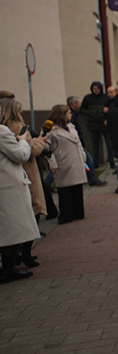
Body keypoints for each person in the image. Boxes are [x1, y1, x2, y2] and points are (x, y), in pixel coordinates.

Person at [0, 98, 48, 268]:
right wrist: (32, 141)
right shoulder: (7, 130)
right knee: (18, 227)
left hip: (14, 180)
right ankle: (11, 266)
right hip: (14, 180)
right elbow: (24, 153)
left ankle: (13, 262)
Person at [45, 104, 87, 224]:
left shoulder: (71, 126)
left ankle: (78, 212)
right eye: (68, 112)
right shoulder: (49, 128)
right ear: (62, 114)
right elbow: (46, 148)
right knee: (65, 189)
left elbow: (78, 142)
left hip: (75, 160)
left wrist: (83, 156)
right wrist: (52, 163)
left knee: (77, 187)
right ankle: (66, 215)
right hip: (62, 161)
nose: (71, 114)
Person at [67, 96, 106, 186]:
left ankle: (92, 178)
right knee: (88, 160)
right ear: (74, 104)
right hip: (75, 143)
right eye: (79, 103)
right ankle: (92, 180)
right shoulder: (70, 115)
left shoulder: (73, 113)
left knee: (87, 160)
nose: (80, 105)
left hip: (76, 142)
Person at [80, 81, 113, 168]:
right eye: (94, 89)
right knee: (95, 145)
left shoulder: (106, 98)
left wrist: (107, 114)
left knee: (109, 144)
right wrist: (91, 112)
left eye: (98, 88)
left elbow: (112, 109)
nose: (96, 90)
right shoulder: (88, 98)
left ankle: (112, 162)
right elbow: (82, 110)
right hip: (93, 124)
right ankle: (95, 163)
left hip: (105, 124)